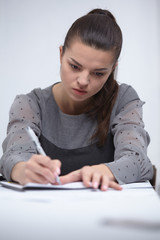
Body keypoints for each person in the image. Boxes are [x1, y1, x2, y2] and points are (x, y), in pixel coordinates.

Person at [0, 8, 153, 191]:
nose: (83, 81)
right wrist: (22, 170)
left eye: (98, 73)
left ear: (112, 69)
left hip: (104, 214)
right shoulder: (30, 104)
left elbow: (138, 160)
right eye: (74, 66)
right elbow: (13, 156)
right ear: (61, 54)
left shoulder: (123, 100)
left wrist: (103, 171)